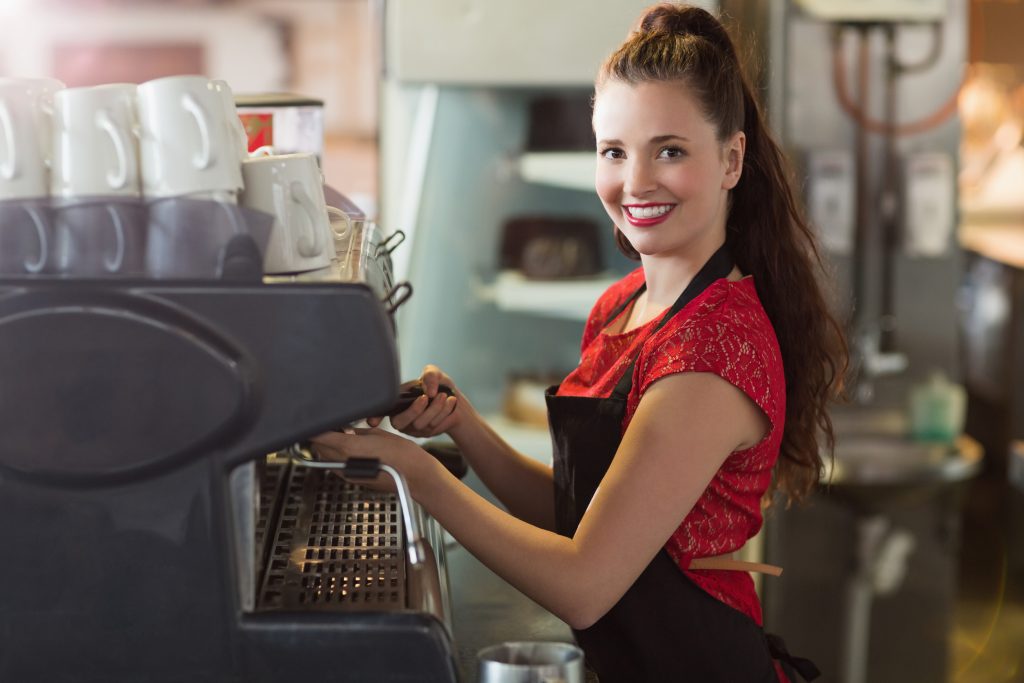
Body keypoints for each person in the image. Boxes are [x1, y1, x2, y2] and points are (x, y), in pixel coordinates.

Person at [312, 3, 847, 681]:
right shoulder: (624, 304)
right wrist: (465, 429)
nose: (636, 181)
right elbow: (585, 514)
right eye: (614, 151)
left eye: (671, 150)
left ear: (731, 160)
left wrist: (415, 473)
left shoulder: (713, 353)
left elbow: (585, 583)